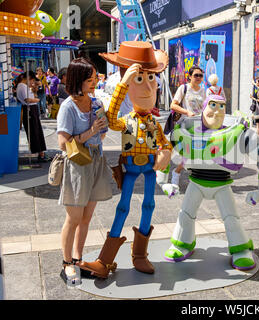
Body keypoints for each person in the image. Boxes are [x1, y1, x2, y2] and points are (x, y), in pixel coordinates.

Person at [80, 41, 175, 278]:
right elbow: (111, 120)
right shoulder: (127, 120)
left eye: (151, 79)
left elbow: (165, 141)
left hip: (149, 169)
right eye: (140, 79)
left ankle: (140, 254)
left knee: (149, 205)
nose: (148, 87)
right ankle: (105, 260)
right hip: (131, 169)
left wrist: (166, 151)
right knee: (122, 207)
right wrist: (122, 86)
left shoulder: (153, 122)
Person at [163, 95, 259, 270]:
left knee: (231, 219)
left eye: (221, 106)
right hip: (196, 181)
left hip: (222, 184)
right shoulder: (185, 131)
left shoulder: (239, 133)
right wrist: (164, 182)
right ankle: (182, 243)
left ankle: (240, 249)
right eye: (213, 105)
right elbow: (163, 155)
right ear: (203, 107)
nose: (217, 111)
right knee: (185, 214)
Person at [56, 58, 112, 286]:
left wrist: (102, 126)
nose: (95, 82)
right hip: (78, 165)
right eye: (90, 79)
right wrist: (91, 131)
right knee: (74, 218)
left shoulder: (96, 102)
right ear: (79, 80)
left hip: (96, 161)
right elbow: (62, 143)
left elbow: (103, 134)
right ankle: (67, 263)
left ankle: (78, 259)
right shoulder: (68, 107)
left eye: (96, 78)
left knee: (87, 218)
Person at [169, 66, 206, 186]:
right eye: (196, 75)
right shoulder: (183, 88)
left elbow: (205, 108)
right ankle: (176, 173)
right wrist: (187, 112)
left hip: (199, 125)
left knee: (199, 153)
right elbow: (173, 105)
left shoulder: (203, 90)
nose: (199, 78)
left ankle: (193, 177)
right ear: (189, 76)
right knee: (188, 153)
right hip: (186, 125)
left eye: (201, 75)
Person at [15, 71, 50, 162]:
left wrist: (34, 91)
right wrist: (36, 100)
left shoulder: (23, 86)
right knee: (34, 132)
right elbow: (27, 99)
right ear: (28, 78)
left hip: (31, 109)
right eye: (32, 81)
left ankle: (41, 152)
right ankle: (40, 153)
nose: (32, 83)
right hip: (29, 110)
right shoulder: (22, 86)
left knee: (37, 131)